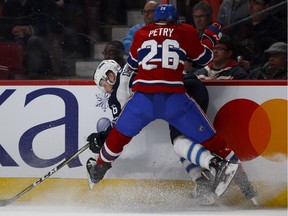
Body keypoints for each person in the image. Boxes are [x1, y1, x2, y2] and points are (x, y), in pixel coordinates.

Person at [86, 4, 242, 199]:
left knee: (121, 138)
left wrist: (102, 150)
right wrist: (211, 34)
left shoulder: (141, 33)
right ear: (174, 20)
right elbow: (204, 58)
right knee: (207, 140)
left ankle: (100, 167)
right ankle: (231, 172)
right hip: (174, 96)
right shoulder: (184, 31)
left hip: (144, 99)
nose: (105, 84)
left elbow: (132, 67)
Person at [0, 0, 62, 77]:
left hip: (42, 39)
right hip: (12, 39)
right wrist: (12, 28)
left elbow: (54, 26)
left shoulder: (47, 3)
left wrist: (31, 29)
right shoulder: (10, 4)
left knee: (34, 41)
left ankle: (34, 75)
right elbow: (3, 24)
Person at [222, 0, 287, 69]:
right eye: (249, 2)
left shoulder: (277, 26)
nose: (250, 6)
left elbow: (279, 54)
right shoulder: (239, 24)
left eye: (256, 3)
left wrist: (253, 66)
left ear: (266, 7)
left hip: (263, 71)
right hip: (233, 68)